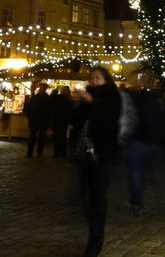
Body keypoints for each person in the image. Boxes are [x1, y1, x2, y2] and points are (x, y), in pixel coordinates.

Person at [72, 66, 121, 257]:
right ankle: (94, 229)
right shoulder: (87, 97)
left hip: (103, 154)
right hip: (85, 154)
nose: (93, 81)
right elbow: (77, 122)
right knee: (84, 195)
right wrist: (76, 104)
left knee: (98, 198)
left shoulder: (112, 96)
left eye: (97, 78)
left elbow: (108, 115)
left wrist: (90, 101)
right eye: (91, 78)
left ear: (106, 80)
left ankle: (96, 240)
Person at [125, 87, 165, 213]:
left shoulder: (134, 100)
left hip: (139, 141)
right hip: (151, 141)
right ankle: (157, 200)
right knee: (150, 173)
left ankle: (137, 202)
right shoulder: (153, 101)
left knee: (136, 172)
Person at [26, 82, 52, 158]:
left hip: (43, 120)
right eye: (40, 88)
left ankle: (39, 152)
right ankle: (29, 153)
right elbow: (29, 108)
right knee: (32, 137)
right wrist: (30, 117)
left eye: (43, 88)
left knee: (41, 137)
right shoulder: (34, 97)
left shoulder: (47, 98)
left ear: (45, 89)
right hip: (34, 120)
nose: (41, 89)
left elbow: (49, 110)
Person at [50, 85, 73, 157]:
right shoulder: (63, 98)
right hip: (59, 120)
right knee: (59, 137)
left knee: (61, 137)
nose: (64, 91)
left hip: (62, 121)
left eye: (65, 90)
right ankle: (60, 152)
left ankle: (61, 152)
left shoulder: (67, 98)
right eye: (63, 90)